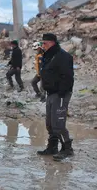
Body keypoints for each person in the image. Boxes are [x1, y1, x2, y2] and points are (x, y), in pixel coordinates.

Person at [37, 33, 74, 161]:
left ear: (52, 42)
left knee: (58, 123)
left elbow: (68, 76)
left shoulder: (63, 56)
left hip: (60, 94)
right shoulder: (48, 55)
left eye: (45, 43)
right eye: (42, 43)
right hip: (50, 93)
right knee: (50, 124)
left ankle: (67, 149)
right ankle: (52, 147)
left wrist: (61, 92)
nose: (43, 45)